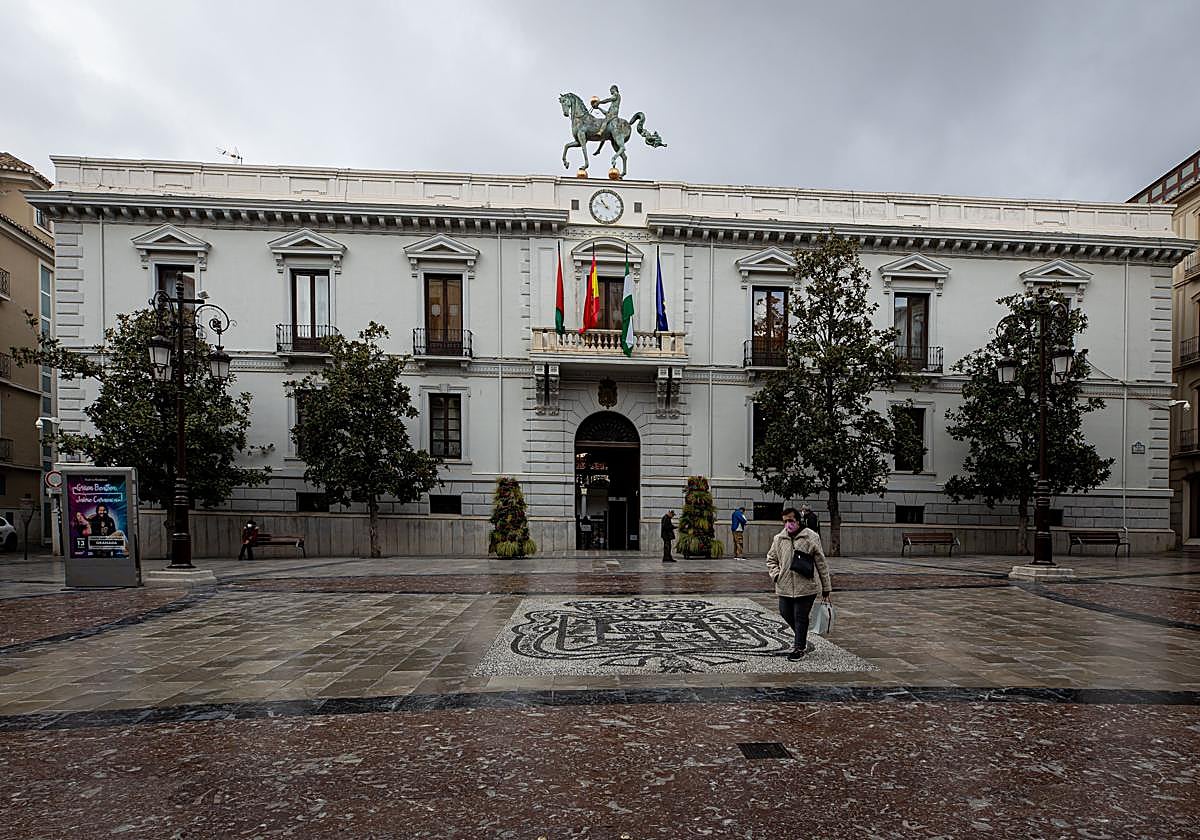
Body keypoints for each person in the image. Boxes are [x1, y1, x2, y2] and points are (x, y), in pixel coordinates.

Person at [766, 506, 832, 661]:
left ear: (798, 520)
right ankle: (801, 638)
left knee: (800, 616)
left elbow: (821, 563)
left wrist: (826, 587)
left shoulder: (811, 537)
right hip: (784, 586)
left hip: (807, 586)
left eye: (791, 520)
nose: (788, 524)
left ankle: (799, 648)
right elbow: (771, 559)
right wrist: (776, 575)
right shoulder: (779, 538)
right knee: (785, 612)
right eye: (785, 521)